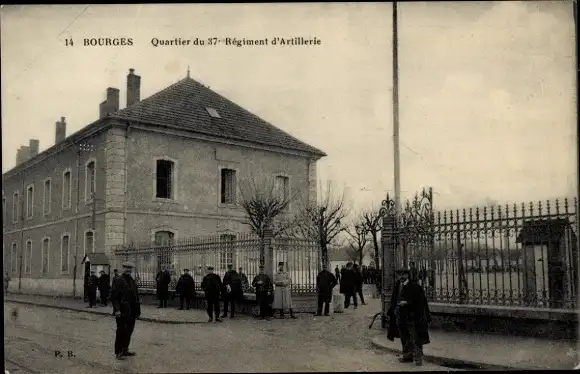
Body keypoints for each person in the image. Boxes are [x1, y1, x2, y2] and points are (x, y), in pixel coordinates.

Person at [387, 267, 431, 366]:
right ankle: (407, 356)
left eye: (403, 274)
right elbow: (394, 298)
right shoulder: (398, 285)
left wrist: (407, 302)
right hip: (400, 316)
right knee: (404, 337)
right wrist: (392, 310)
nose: (401, 276)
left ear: (408, 275)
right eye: (399, 274)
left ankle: (418, 359)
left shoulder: (414, 286)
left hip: (412, 317)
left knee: (415, 338)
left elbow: (420, 302)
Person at [111, 262, 141, 360]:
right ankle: (118, 352)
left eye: (130, 268)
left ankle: (125, 349)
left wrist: (137, 311)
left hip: (131, 311)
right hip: (122, 311)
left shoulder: (132, 280)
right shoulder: (119, 280)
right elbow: (114, 297)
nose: (128, 269)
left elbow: (136, 297)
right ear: (123, 268)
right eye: (126, 268)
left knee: (129, 331)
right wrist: (117, 310)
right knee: (121, 331)